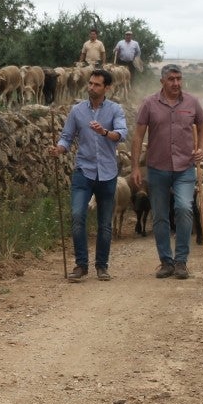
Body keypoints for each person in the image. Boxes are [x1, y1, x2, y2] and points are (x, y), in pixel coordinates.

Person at [130, 64, 203, 280]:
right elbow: (137, 136)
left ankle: (181, 261)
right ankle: (166, 261)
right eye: (172, 79)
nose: (176, 83)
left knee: (184, 208)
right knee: (160, 216)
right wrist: (136, 167)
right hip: (157, 168)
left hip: (185, 167)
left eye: (179, 79)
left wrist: (201, 148)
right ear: (162, 81)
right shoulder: (149, 103)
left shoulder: (192, 102)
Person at [50, 69, 127, 281]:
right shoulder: (77, 111)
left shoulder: (115, 110)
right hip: (83, 171)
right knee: (77, 216)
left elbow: (121, 134)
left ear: (107, 88)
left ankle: (102, 266)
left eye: (96, 85)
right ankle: (81, 265)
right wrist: (59, 149)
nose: (91, 87)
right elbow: (66, 137)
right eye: (90, 83)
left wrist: (104, 132)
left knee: (104, 223)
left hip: (107, 173)